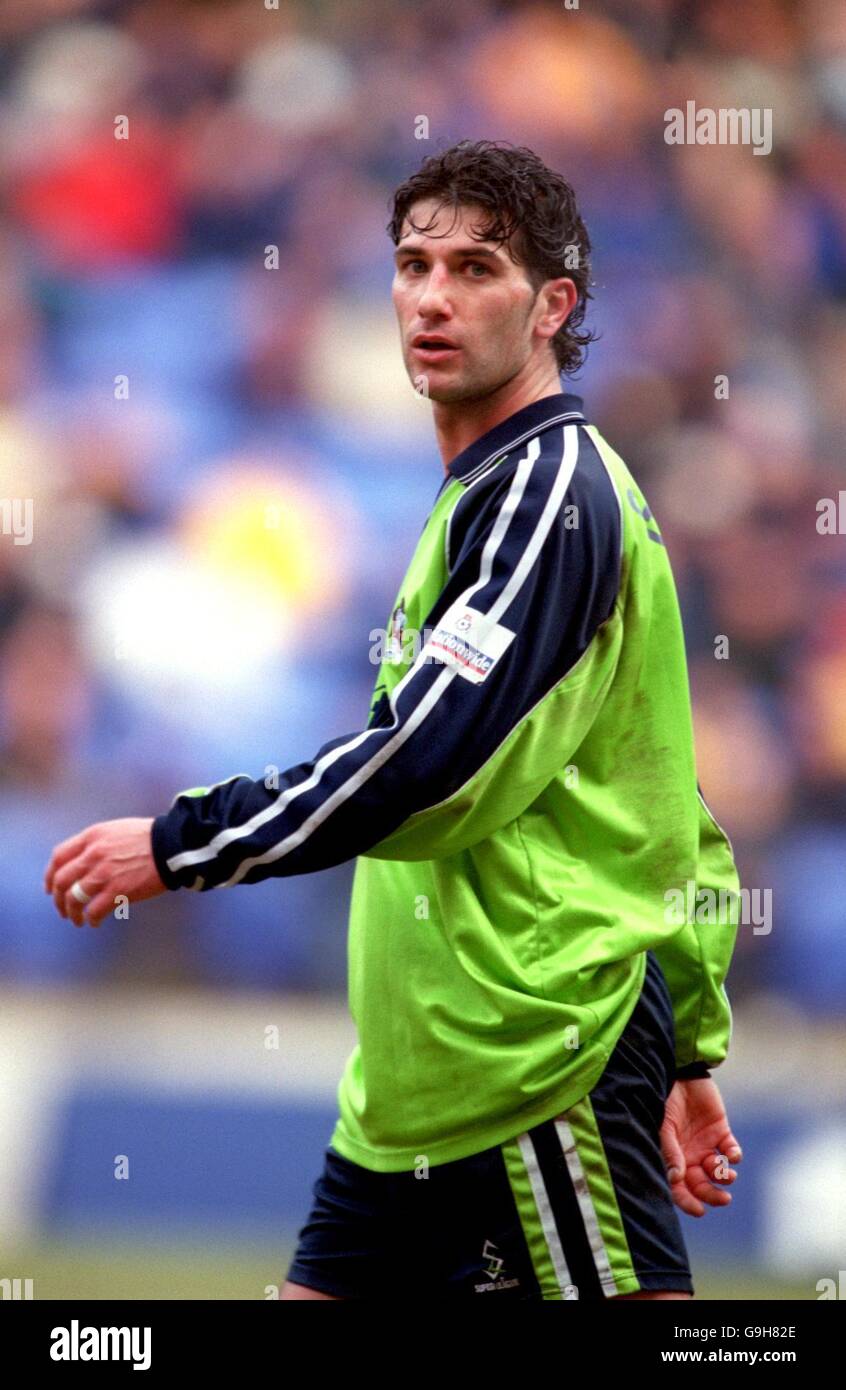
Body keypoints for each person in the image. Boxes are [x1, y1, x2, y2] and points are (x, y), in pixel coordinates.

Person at [44, 139, 743, 1301]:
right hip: (418, 1086)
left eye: (476, 268)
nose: (433, 296)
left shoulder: (552, 494)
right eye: (415, 264)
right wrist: (692, 1046)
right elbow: (664, 792)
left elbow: (423, 761)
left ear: (552, 306)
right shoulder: (483, 494)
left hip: (536, 1055)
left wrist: (179, 844)